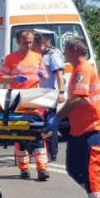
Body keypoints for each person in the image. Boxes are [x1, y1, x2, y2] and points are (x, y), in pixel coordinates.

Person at [51, 37, 100, 198]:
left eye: (66, 50)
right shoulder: (78, 69)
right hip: (81, 128)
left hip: (94, 127)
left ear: (76, 49)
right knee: (74, 168)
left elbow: (78, 99)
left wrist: (58, 117)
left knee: (91, 168)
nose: (64, 53)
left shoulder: (83, 69)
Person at [0, 29, 49, 181]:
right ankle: (24, 169)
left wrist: (43, 75)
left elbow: (45, 75)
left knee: (38, 134)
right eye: (25, 42)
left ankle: (42, 169)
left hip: (35, 100)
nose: (28, 45)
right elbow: (1, 78)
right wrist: (14, 79)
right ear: (18, 42)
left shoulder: (37, 57)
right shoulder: (10, 59)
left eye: (31, 42)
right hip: (19, 100)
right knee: (20, 135)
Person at [33, 32, 66, 161]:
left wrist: (61, 92)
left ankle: (52, 153)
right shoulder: (36, 56)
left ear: (41, 43)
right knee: (39, 123)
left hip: (49, 93)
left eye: (33, 45)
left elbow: (59, 74)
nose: (31, 47)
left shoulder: (52, 55)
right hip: (37, 94)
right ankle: (39, 151)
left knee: (51, 124)